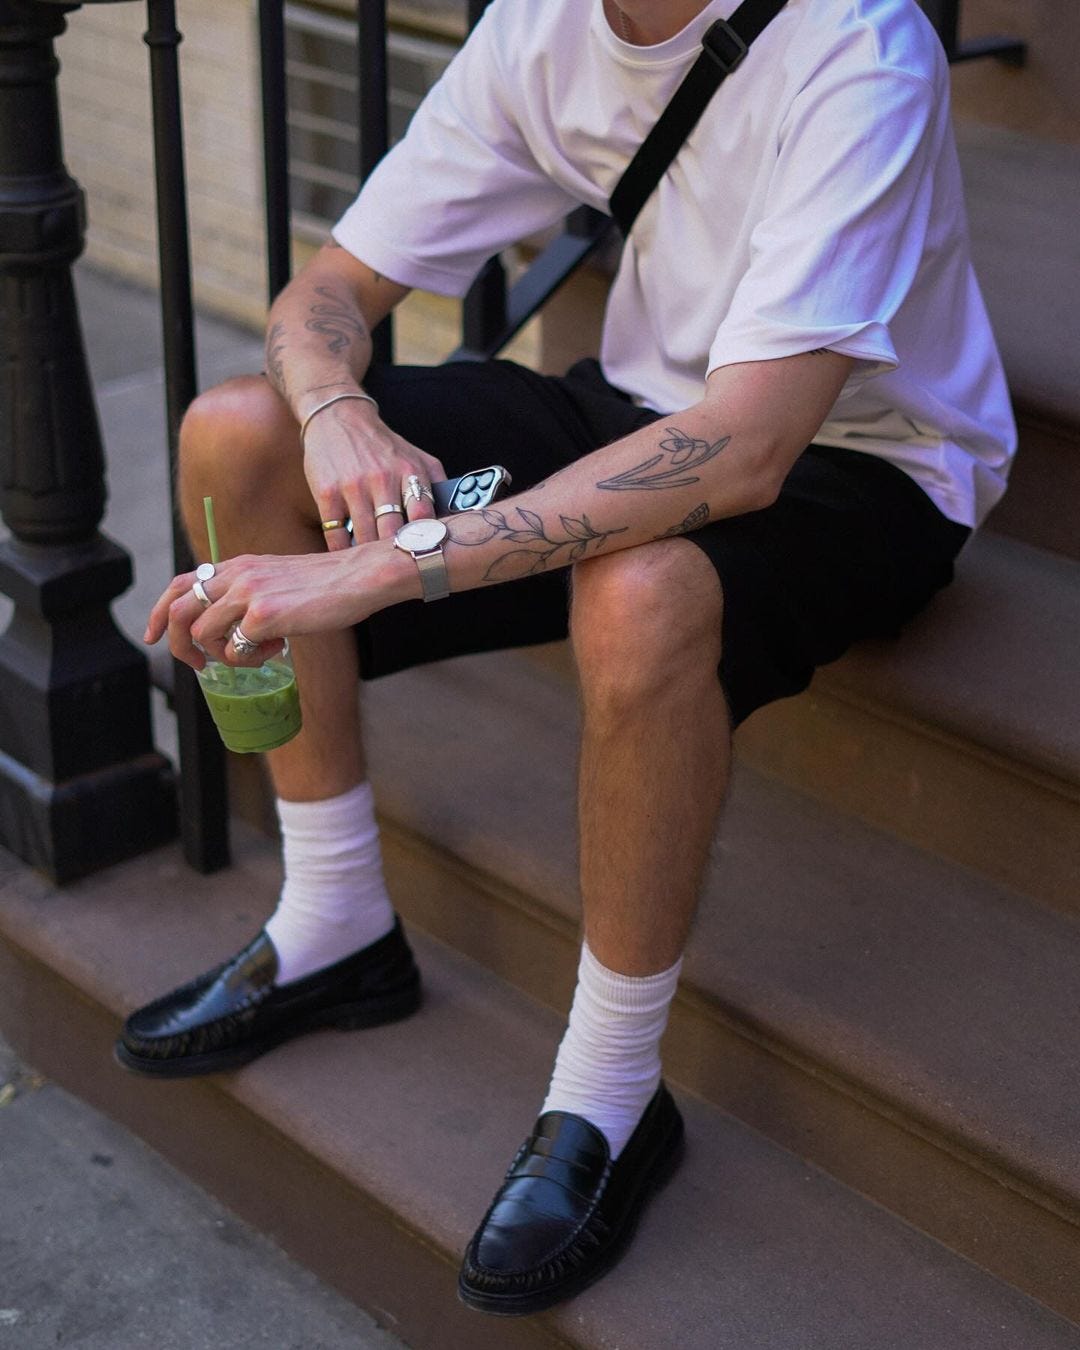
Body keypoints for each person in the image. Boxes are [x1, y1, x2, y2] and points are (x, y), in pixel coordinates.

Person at [115, 0, 1015, 1317]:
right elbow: (330, 289)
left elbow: (750, 444)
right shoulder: (543, 24)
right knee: (237, 435)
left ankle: (608, 1097)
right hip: (641, 402)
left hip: (864, 464)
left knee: (638, 593)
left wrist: (385, 563)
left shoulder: (858, 43)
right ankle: (335, 923)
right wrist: (334, 410)